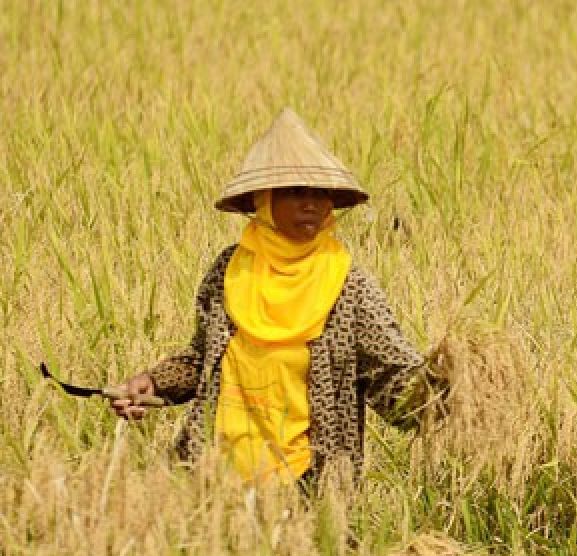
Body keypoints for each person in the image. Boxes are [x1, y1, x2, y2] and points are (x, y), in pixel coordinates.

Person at [110, 108, 445, 489]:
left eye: (321, 194)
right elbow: (204, 361)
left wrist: (455, 386)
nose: (311, 204)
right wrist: (153, 383)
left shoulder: (349, 288)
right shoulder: (229, 273)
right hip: (213, 478)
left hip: (306, 486)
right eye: (294, 192)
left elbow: (394, 380)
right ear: (263, 200)